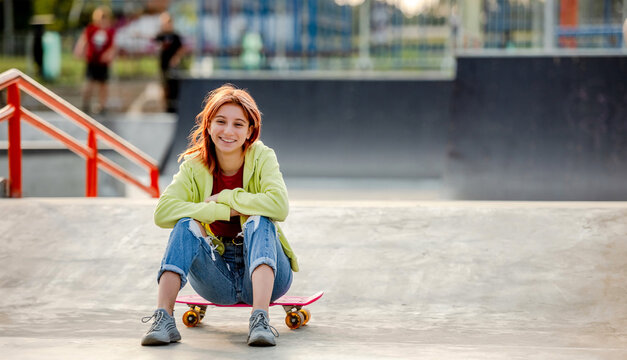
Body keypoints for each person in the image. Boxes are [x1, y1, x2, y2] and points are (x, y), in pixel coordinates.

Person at [141, 84, 298, 347]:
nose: (228, 131)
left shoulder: (262, 157)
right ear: (209, 125)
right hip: (217, 279)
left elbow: (279, 206)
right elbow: (163, 211)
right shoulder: (194, 165)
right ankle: (164, 319)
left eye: (238, 124)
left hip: (269, 274)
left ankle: (260, 320)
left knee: (260, 220)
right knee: (185, 224)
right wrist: (221, 211)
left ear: (250, 131)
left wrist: (227, 198)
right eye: (221, 122)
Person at [73, 6, 116, 114]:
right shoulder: (91, 29)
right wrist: (79, 50)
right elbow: (84, 40)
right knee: (89, 84)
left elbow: (113, 46)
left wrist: (109, 54)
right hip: (92, 61)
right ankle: (86, 103)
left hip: (103, 63)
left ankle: (102, 105)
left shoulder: (110, 31)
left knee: (103, 85)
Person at [154, 12, 186, 113]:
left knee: (175, 87)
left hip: (174, 67)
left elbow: (181, 49)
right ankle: (166, 107)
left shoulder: (175, 36)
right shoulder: (160, 35)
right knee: (165, 86)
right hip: (164, 65)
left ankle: (175, 106)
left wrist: (176, 58)